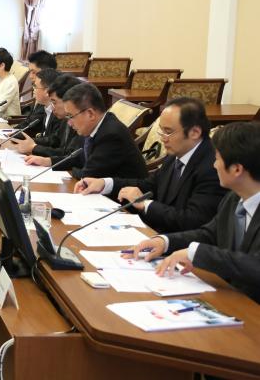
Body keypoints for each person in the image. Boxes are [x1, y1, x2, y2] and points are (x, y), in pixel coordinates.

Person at [131, 122, 260, 303]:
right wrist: (165, 242)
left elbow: (255, 266)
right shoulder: (234, 197)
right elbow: (210, 234)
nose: (214, 165)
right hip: (230, 296)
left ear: (236, 169)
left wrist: (197, 253)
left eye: (217, 159)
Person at [76, 97, 225, 233]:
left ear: (195, 132)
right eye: (162, 130)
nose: (163, 138)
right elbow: (151, 185)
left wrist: (145, 204)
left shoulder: (213, 167)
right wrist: (105, 183)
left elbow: (193, 220)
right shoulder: (177, 153)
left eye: (168, 132)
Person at [31, 82, 147, 179]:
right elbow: (78, 159)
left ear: (90, 114)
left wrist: (73, 171)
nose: (69, 123)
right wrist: (48, 161)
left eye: (71, 116)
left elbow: (88, 174)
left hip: (120, 198)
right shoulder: (94, 126)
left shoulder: (111, 135)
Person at [22, 74, 83, 163]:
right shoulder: (65, 118)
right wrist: (30, 143)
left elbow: (69, 154)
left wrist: (35, 148)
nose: (52, 107)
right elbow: (55, 140)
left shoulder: (80, 122)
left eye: (54, 102)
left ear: (68, 100)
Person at [10, 68, 61, 141]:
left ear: (47, 91)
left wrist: (32, 144)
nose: (33, 89)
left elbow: (53, 142)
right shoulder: (46, 107)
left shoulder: (58, 113)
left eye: (35, 86)